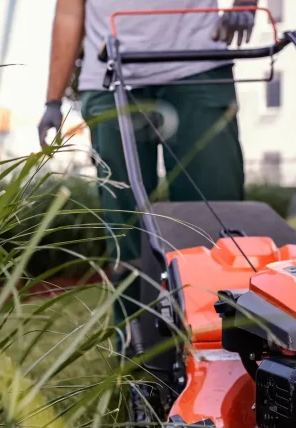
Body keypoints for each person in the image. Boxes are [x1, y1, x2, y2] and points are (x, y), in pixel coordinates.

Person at [39, 0, 257, 347]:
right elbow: (68, 12)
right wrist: (53, 100)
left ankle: (227, 349)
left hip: (197, 66)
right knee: (126, 226)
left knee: (216, 218)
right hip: (111, 77)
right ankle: (137, 357)